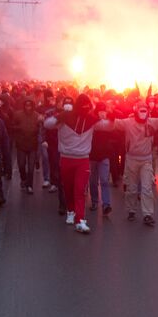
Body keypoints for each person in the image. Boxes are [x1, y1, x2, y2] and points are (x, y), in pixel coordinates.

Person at [44, 93, 111, 233]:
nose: (86, 109)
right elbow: (47, 124)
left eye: (88, 106)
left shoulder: (92, 119)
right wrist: (59, 115)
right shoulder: (64, 117)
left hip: (83, 160)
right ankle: (71, 211)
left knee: (79, 190)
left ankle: (80, 219)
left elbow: (108, 126)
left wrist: (111, 114)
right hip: (66, 158)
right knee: (68, 189)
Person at [111, 99, 158, 226]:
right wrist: (110, 114)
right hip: (131, 159)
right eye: (140, 109)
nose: (143, 112)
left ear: (148, 112)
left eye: (145, 110)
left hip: (146, 160)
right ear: (136, 110)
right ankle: (131, 210)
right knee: (131, 188)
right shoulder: (128, 122)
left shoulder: (152, 123)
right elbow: (114, 123)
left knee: (147, 188)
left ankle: (147, 214)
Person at [13, 98, 42, 194]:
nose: (28, 107)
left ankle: (30, 186)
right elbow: (12, 126)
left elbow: (41, 129)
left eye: (30, 105)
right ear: (24, 105)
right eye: (26, 105)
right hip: (21, 145)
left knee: (31, 167)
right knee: (21, 165)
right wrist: (19, 128)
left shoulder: (37, 116)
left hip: (33, 145)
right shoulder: (18, 115)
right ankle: (23, 179)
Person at [89, 102, 113, 215]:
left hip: (104, 156)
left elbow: (115, 129)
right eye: (100, 111)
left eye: (104, 111)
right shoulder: (91, 122)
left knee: (104, 180)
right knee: (93, 181)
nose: (102, 113)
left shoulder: (109, 123)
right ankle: (94, 201)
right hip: (92, 156)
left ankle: (106, 204)